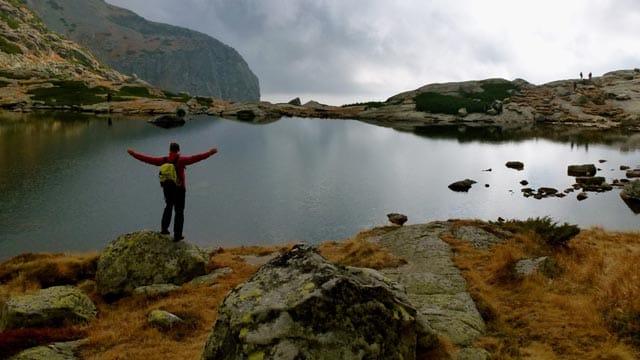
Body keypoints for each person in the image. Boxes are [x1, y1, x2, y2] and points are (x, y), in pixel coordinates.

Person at [127, 143, 218, 241]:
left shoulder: (164, 160)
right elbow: (195, 158)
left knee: (168, 206)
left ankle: (164, 229)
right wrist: (209, 153)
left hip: (167, 189)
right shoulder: (181, 160)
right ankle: (177, 235)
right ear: (178, 150)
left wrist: (134, 154)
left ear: (169, 150)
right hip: (180, 189)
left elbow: (149, 160)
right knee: (179, 211)